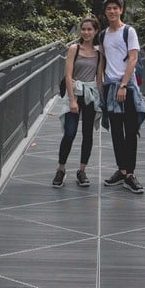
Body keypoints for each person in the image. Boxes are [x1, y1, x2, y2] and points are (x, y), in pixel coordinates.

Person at [99, 0, 145, 194]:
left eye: (115, 8)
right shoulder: (103, 35)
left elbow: (133, 59)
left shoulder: (129, 31)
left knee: (131, 131)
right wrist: (100, 86)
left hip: (127, 87)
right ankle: (122, 170)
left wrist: (124, 85)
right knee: (116, 132)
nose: (112, 11)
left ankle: (130, 174)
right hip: (110, 87)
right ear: (105, 12)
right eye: (108, 8)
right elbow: (102, 60)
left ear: (121, 10)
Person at [53, 16, 103, 187]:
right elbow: (68, 76)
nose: (86, 32)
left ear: (95, 31)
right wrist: (72, 100)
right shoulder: (74, 49)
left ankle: (82, 170)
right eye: (83, 29)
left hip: (90, 95)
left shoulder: (99, 54)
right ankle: (61, 169)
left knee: (88, 134)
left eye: (90, 29)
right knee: (70, 133)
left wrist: (101, 100)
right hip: (74, 93)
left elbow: (99, 79)